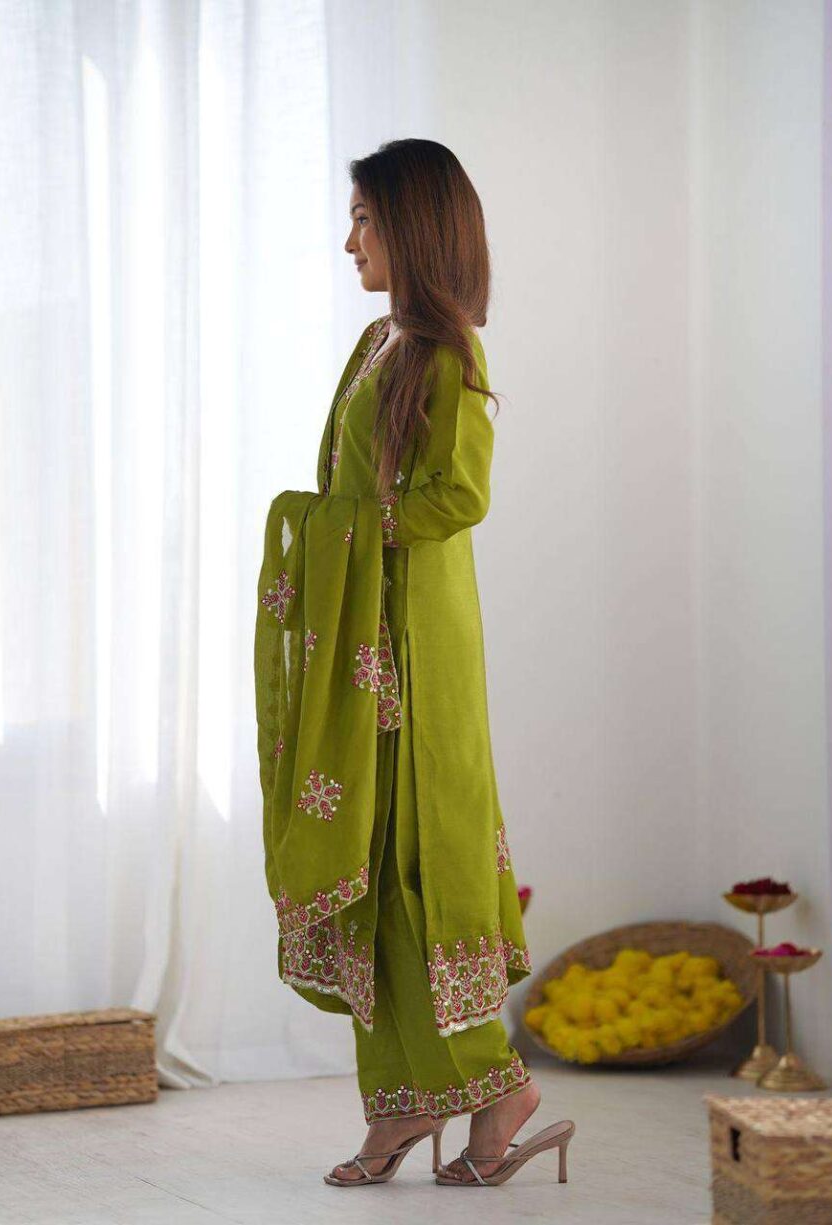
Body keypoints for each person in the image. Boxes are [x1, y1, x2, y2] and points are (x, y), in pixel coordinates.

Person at [254, 138, 574, 1189]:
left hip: (413, 652)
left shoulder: (447, 353)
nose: (349, 240)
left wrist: (347, 532)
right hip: (362, 644)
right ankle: (401, 1101)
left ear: (413, 225)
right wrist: (336, 533)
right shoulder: (376, 342)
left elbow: (458, 497)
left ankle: (496, 1088)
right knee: (365, 863)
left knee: (411, 864)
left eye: (364, 218)